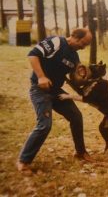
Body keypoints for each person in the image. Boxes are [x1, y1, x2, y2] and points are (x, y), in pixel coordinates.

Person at [17, 28, 94, 173]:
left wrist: (87, 78)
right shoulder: (56, 42)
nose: (83, 47)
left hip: (56, 91)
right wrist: (41, 76)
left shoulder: (74, 56)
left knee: (76, 117)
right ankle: (23, 160)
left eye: (86, 45)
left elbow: (75, 78)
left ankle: (80, 152)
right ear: (75, 36)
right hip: (40, 90)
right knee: (45, 125)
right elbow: (33, 55)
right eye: (83, 43)